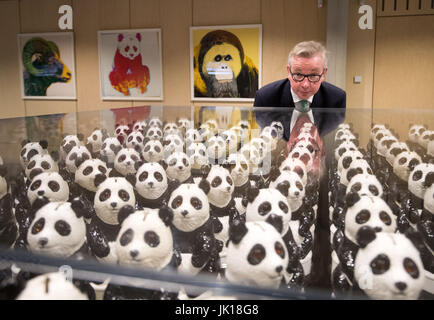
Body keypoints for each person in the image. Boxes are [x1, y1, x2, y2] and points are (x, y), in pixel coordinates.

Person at [253, 40, 346, 140]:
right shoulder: (265, 98)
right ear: (289, 72)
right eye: (298, 74)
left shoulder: (337, 99)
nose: (305, 85)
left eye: (313, 75)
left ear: (323, 74)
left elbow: (331, 136)